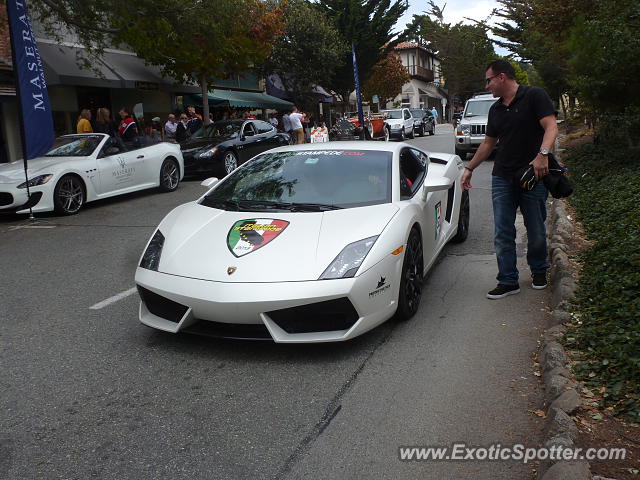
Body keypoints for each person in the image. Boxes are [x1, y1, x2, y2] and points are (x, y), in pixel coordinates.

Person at [461, 59, 558, 300]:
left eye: (488, 80)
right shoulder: (495, 110)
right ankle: (508, 280)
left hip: (532, 175)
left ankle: (538, 271)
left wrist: (542, 155)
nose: (487, 86)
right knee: (503, 231)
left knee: (535, 229)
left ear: (502, 77)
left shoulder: (534, 96)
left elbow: (551, 127)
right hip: (502, 176)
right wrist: (469, 168)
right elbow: (487, 144)